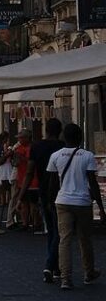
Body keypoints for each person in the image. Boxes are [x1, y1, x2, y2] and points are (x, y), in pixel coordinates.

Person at [46, 123, 106, 290]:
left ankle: (65, 278)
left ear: (64, 137)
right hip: (82, 202)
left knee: (64, 240)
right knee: (84, 239)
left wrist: (50, 203)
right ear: (80, 137)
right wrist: (100, 206)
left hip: (62, 201)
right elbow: (92, 183)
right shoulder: (87, 156)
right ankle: (88, 272)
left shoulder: (55, 156)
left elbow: (52, 184)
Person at [17, 118, 65, 284]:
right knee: (59, 232)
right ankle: (51, 265)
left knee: (51, 231)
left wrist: (20, 195)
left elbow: (29, 172)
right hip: (61, 193)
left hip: (44, 192)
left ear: (46, 130)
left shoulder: (36, 147)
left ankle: (56, 267)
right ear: (60, 131)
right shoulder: (63, 147)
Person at [13, 129, 39, 231]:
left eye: (20, 138)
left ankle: (36, 223)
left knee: (33, 203)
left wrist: (22, 158)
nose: (19, 140)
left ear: (27, 138)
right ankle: (25, 223)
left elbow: (32, 162)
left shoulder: (32, 148)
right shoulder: (18, 148)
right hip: (21, 179)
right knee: (23, 202)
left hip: (32, 180)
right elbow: (15, 163)